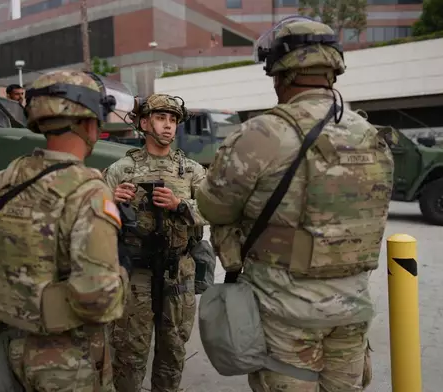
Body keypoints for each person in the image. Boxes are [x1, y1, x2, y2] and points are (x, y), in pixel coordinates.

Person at [196, 16, 395, 391]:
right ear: (332, 69)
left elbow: (213, 208)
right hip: (352, 308)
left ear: (279, 73)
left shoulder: (262, 133)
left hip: (287, 312)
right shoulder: (370, 136)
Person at [0, 69, 130, 392]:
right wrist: (122, 280)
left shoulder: (2, 181)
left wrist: (16, 286)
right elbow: (98, 300)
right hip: (67, 363)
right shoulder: (89, 191)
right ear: (90, 123)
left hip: (5, 350)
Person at [102, 94, 208, 392]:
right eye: (161, 118)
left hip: (177, 271)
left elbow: (214, 211)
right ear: (144, 123)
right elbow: (91, 216)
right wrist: (110, 201)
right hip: (136, 272)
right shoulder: (123, 169)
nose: (168, 126)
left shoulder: (191, 170)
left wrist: (180, 205)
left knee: (172, 351)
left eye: (173, 120)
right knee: (129, 353)